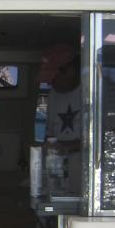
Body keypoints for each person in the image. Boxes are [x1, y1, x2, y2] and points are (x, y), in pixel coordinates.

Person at [45, 53, 82, 194]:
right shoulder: (53, 94)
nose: (51, 83)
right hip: (60, 184)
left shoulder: (99, 89)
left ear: (70, 71)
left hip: (90, 186)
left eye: (53, 77)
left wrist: (65, 147)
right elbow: (50, 136)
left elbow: (113, 139)